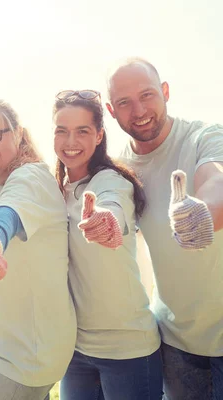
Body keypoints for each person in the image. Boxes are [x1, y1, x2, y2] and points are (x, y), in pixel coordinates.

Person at [107, 58, 223, 400]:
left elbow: (216, 177)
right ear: (111, 111)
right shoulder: (120, 170)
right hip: (176, 345)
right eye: (124, 102)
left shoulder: (205, 135)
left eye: (147, 95)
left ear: (166, 92)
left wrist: (202, 213)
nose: (139, 110)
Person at [0, 99, 76, 400]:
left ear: (19, 134)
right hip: (17, 351)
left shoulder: (29, 177)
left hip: (27, 357)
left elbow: (6, 217)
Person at [52, 90, 162, 399]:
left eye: (82, 131)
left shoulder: (111, 181)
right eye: (62, 130)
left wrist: (106, 221)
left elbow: (112, 204)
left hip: (129, 350)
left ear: (99, 135)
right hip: (75, 351)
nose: (70, 140)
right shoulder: (55, 190)